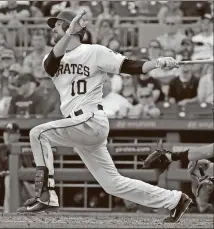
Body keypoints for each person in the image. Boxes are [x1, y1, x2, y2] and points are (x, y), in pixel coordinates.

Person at [17, 10, 192, 223]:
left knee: (38, 133)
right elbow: (50, 65)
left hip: (90, 119)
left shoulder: (94, 52)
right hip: (79, 125)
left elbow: (128, 65)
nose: (53, 28)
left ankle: (46, 193)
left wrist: (157, 63)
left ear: (74, 27)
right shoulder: (51, 57)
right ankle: (174, 200)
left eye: (58, 24)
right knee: (112, 184)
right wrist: (68, 31)